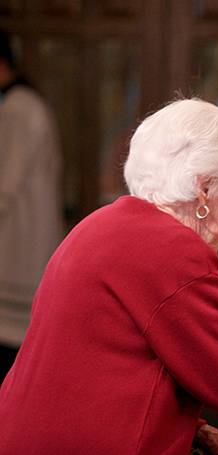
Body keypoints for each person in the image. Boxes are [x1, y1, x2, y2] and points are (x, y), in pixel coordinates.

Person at [0, 99, 218, 454]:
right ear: (204, 189)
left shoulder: (99, 224)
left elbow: (101, 367)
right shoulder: (174, 251)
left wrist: (196, 430)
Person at [0, 30, 63, 381]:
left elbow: (4, 184)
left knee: (14, 345)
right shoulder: (20, 105)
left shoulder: (19, 109)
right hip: (19, 240)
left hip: (19, 241)